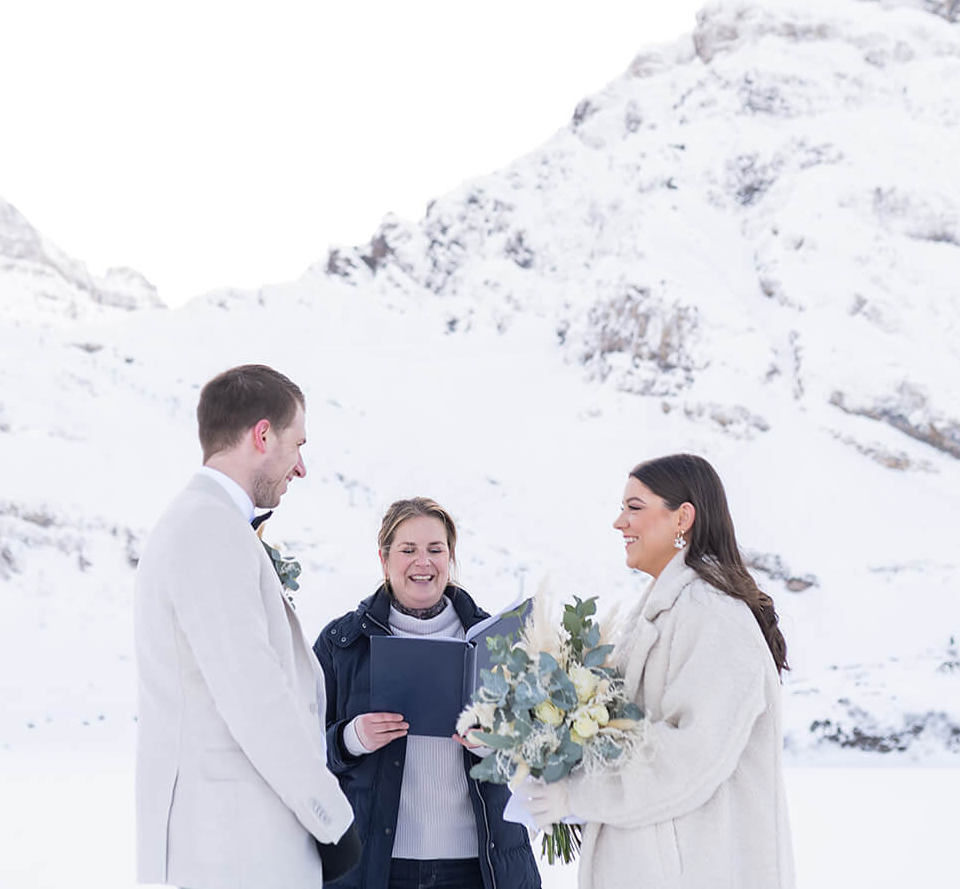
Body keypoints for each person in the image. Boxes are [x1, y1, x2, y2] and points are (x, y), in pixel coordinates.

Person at [514, 453, 796, 889]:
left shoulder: (713, 615)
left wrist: (578, 792)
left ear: (682, 517)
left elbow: (689, 756)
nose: (619, 523)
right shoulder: (663, 611)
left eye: (635, 507)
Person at [134, 364, 359, 887]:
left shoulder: (202, 522)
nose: (300, 467)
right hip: (232, 850)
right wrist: (330, 818)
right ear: (263, 434)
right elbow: (254, 695)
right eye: (297, 444)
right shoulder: (209, 528)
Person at [313, 498, 541, 889]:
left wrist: (493, 746)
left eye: (436, 550)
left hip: (478, 867)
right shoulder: (342, 644)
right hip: (377, 868)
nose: (423, 562)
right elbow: (302, 745)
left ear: (450, 558)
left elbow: (539, 745)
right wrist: (352, 739)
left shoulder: (495, 641)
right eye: (408, 550)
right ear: (384, 560)